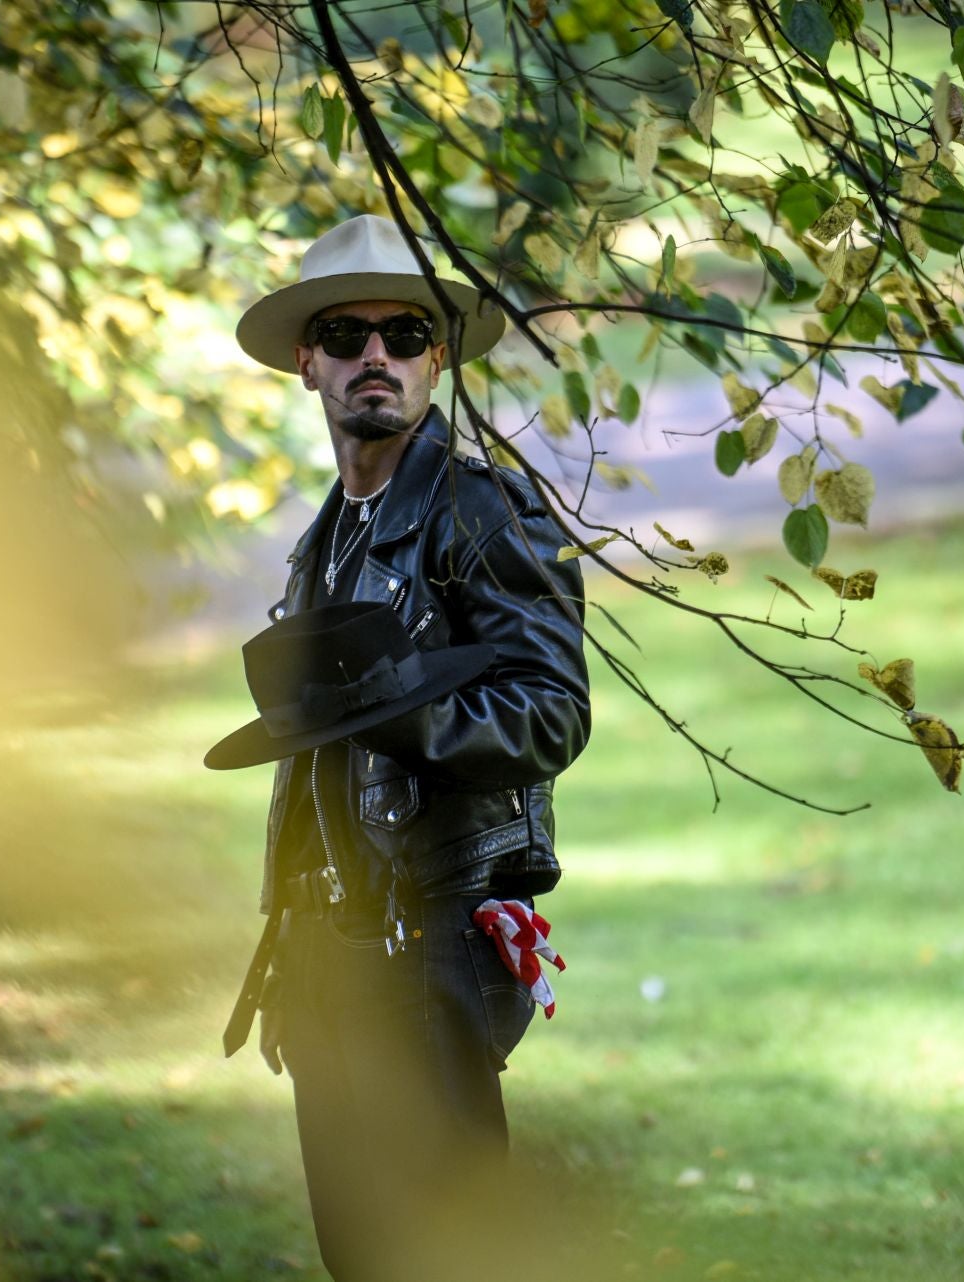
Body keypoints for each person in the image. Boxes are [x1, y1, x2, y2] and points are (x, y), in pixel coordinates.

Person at [208, 213, 591, 1280]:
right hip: (331, 959)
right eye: (344, 332)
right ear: (307, 362)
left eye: (404, 333)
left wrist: (406, 712)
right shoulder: (326, 537)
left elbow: (553, 714)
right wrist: (291, 944)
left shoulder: (482, 513)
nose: (374, 354)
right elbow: (314, 762)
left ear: (435, 359)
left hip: (430, 950)